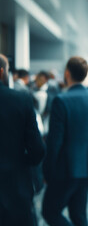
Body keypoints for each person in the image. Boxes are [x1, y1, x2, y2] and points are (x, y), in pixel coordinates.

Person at [42, 56, 88, 226]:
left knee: (50, 211)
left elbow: (55, 141)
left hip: (65, 169)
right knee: (79, 215)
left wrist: (47, 171)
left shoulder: (61, 101)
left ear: (67, 73)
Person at [0, 54, 45, 226]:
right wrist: (22, 161)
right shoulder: (20, 100)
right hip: (14, 184)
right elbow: (37, 149)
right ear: (2, 72)